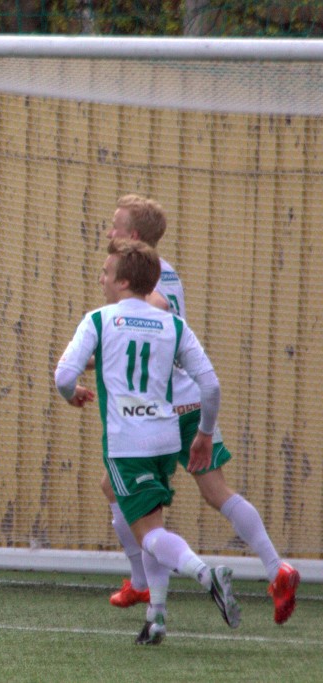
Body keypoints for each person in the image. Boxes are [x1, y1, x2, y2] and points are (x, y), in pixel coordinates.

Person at [99, 194, 299, 625]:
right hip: (191, 401)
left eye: (116, 225)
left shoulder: (144, 283)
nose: (109, 231)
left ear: (134, 235)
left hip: (161, 410)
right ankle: (276, 569)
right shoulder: (164, 270)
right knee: (215, 492)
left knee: (123, 493)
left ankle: (142, 584)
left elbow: (157, 310)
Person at [56, 237, 241, 645]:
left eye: (106, 272)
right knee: (152, 526)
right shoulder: (173, 325)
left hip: (127, 444)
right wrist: (204, 433)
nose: (101, 278)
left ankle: (205, 574)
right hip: (165, 437)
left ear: (123, 282)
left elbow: (64, 375)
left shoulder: (98, 320)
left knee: (150, 535)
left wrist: (71, 394)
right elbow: (211, 386)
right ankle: (155, 617)